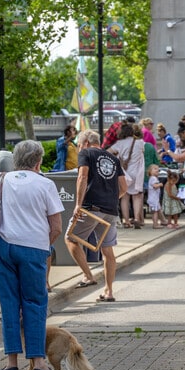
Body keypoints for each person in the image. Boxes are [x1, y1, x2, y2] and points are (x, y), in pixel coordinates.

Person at [0, 140, 64, 370]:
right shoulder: (45, 184)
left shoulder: (1, 180)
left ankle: (11, 362)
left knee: (9, 303)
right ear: (38, 161)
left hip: (3, 246)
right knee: (34, 303)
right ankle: (38, 361)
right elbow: (56, 226)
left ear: (16, 159)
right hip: (33, 247)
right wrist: (45, 246)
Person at [65, 129, 127, 302]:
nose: (78, 149)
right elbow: (124, 187)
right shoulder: (113, 159)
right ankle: (109, 291)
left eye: (78, 145)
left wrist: (78, 203)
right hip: (110, 210)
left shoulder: (86, 153)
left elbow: (82, 177)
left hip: (90, 208)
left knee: (71, 239)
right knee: (107, 251)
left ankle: (88, 276)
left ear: (85, 143)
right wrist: (110, 199)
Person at [108, 123, 145, 228]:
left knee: (124, 196)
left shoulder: (119, 143)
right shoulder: (140, 142)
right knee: (137, 197)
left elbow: (107, 152)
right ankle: (137, 219)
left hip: (125, 173)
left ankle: (127, 221)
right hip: (137, 173)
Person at [146, 164, 165, 228]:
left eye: (158, 169)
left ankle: (163, 220)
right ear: (150, 171)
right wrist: (160, 184)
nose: (157, 170)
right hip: (153, 198)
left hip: (154, 198)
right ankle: (155, 224)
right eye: (155, 169)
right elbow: (155, 186)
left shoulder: (153, 178)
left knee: (158, 210)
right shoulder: (153, 178)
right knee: (155, 212)